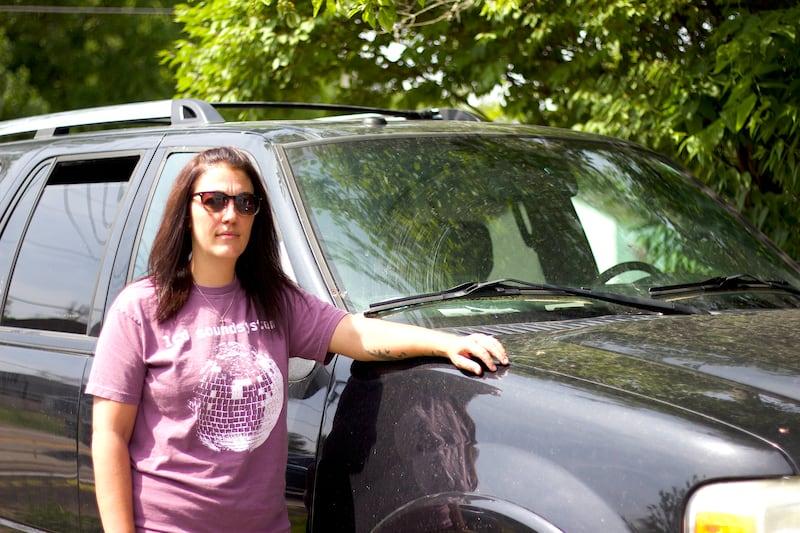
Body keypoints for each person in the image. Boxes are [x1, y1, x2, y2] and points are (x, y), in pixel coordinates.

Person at [86, 146, 508, 533]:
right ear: (186, 210)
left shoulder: (274, 300)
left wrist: (445, 343)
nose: (230, 214)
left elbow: (356, 333)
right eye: (214, 200)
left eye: (245, 202)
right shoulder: (142, 308)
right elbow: (109, 435)